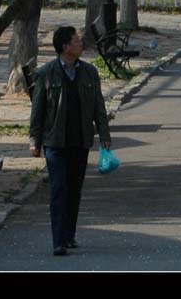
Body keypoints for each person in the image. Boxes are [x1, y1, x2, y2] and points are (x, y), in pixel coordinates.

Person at [30, 26, 112, 256]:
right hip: (55, 141)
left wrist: (104, 135)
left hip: (80, 139)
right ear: (65, 46)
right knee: (58, 188)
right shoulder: (46, 73)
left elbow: (98, 106)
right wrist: (34, 139)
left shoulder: (89, 72)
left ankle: (69, 234)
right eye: (76, 41)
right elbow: (38, 110)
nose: (81, 44)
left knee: (74, 189)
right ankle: (58, 240)